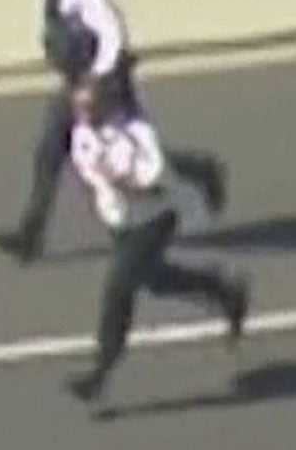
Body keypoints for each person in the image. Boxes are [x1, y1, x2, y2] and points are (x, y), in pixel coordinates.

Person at [0, 0, 229, 264]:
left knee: (122, 155)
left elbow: (112, 32)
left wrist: (96, 80)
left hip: (101, 86)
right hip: (81, 84)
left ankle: (199, 172)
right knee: (60, 150)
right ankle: (30, 236)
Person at [65, 79, 250, 405]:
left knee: (119, 287)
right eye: (80, 109)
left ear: (107, 106)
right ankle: (224, 291)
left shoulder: (136, 134)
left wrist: (131, 181)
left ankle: (101, 370)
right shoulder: (82, 134)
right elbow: (89, 168)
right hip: (121, 221)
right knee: (155, 281)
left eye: (90, 109)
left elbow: (155, 174)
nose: (84, 116)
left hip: (155, 218)